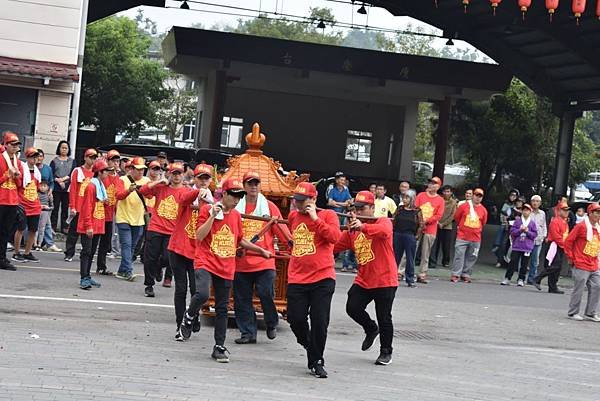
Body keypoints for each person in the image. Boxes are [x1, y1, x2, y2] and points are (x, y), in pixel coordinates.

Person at [178, 178, 271, 363]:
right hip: (206, 260)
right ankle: (189, 315)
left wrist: (259, 250)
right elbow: (199, 236)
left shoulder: (236, 216)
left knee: (222, 308)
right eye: (234, 196)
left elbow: (239, 240)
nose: (237, 200)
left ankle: (219, 347)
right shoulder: (207, 210)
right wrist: (212, 216)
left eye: (239, 196)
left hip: (226, 265)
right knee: (203, 294)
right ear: (225, 195)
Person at [334, 190, 398, 365]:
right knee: (352, 307)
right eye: (357, 208)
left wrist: (362, 226)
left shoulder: (382, 221)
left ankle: (386, 351)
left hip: (385, 279)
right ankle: (371, 329)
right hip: (364, 279)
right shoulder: (351, 231)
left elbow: (384, 232)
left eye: (363, 208)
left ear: (372, 207)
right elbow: (334, 245)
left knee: (384, 316)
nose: (359, 211)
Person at [286, 182, 341, 378]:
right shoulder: (293, 216)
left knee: (320, 321)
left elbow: (335, 237)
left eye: (302, 201)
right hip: (297, 277)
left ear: (313, 199)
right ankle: (309, 345)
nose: (298, 204)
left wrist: (315, 218)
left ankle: (317, 360)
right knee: (295, 318)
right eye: (296, 200)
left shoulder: (328, 215)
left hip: (322, 277)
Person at [233, 171, 292, 344]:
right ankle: (248, 333)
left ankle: (272, 322)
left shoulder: (270, 207)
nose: (253, 186)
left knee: (266, 292)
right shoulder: (236, 206)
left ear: (260, 186)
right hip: (241, 261)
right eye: (250, 183)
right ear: (244, 187)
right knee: (242, 299)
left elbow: (282, 231)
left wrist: (291, 244)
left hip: (264, 260)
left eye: (256, 183)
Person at [168, 163, 214, 341]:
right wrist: (197, 193)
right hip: (179, 248)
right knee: (180, 289)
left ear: (210, 180)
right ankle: (180, 324)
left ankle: (192, 316)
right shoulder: (186, 191)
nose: (203, 181)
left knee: (197, 291)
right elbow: (183, 200)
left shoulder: (212, 200)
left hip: (198, 252)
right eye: (200, 178)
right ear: (194, 179)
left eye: (206, 178)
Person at [139, 162, 189, 297]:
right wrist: (159, 181)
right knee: (150, 257)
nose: (177, 176)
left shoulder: (186, 191)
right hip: (156, 227)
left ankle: (158, 267)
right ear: (169, 174)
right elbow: (143, 191)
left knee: (168, 259)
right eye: (174, 173)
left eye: (179, 173)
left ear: (183, 175)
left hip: (173, 231)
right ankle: (149, 285)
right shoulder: (161, 187)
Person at [114, 156, 150, 281]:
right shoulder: (123, 179)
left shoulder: (146, 180)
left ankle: (122, 270)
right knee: (126, 245)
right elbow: (118, 195)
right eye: (138, 169)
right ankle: (128, 271)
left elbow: (150, 196)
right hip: (123, 217)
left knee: (133, 247)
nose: (141, 172)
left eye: (142, 169)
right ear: (132, 169)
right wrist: (129, 190)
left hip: (139, 219)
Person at [78, 160, 111, 289]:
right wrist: (88, 226)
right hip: (90, 224)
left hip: (97, 223)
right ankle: (83, 277)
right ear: (100, 172)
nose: (107, 174)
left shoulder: (100, 185)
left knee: (91, 252)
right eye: (106, 171)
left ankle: (87, 276)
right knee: (86, 251)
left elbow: (98, 202)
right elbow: (87, 207)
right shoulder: (92, 186)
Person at [564, 203, 600, 322]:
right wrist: (571, 257)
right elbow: (569, 241)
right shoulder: (581, 226)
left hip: (593, 262)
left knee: (597, 286)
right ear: (590, 213)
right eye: (596, 212)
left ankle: (590, 312)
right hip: (581, 262)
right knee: (579, 288)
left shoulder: (598, 227)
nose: (598, 215)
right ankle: (573, 312)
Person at [64, 148, 97, 262]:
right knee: (73, 231)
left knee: (87, 232)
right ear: (85, 157)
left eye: (94, 158)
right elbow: (73, 189)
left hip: (89, 207)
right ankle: (69, 253)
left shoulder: (96, 173)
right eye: (90, 157)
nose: (92, 160)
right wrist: (72, 206)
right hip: (78, 206)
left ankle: (87, 254)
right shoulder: (77, 171)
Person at [451, 188, 488, 283]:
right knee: (459, 255)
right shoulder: (464, 206)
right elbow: (457, 217)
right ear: (473, 195)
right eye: (476, 195)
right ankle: (456, 274)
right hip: (462, 236)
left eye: (480, 196)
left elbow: (483, 223)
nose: (478, 198)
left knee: (472, 256)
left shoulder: (483, 210)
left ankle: (466, 274)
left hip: (476, 237)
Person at [12, 147, 42, 263]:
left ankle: (27, 252)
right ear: (27, 157)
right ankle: (16, 252)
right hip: (23, 204)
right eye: (32, 157)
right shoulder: (22, 169)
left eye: (36, 157)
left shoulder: (37, 172)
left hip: (34, 204)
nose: (34, 159)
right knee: (20, 229)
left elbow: (38, 187)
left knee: (33, 230)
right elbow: (18, 185)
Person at [534, 202, 570, 294]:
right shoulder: (555, 221)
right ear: (559, 210)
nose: (566, 212)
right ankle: (538, 278)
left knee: (557, 267)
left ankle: (552, 286)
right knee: (554, 266)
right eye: (564, 210)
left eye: (567, 210)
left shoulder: (564, 222)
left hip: (560, 246)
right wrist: (564, 245)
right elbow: (556, 236)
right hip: (554, 245)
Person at [414, 176, 445, 283]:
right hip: (417, 227)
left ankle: (422, 274)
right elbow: (415, 208)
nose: (431, 185)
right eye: (430, 183)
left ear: (438, 186)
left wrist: (426, 221)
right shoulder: (421, 195)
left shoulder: (440, 200)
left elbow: (438, 215)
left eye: (434, 183)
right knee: (410, 250)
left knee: (425, 253)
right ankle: (401, 271)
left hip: (430, 229)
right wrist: (420, 220)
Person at [0, 132, 23, 271]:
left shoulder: (18, 162)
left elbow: (20, 185)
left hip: (12, 201)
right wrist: (6, 176)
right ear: (6, 145)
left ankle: (2, 257)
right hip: (1, 200)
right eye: (13, 145)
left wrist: (16, 176)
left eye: (17, 145)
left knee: (6, 232)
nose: (15, 148)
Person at [96, 150, 121, 275]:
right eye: (113, 160)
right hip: (100, 212)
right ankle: (87, 265)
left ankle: (101, 266)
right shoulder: (102, 176)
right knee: (95, 241)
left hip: (111, 214)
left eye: (117, 161)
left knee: (106, 243)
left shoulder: (118, 177)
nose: (115, 163)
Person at [501, 203, 538, 286]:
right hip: (517, 246)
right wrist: (520, 230)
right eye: (524, 210)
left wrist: (527, 231)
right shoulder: (517, 221)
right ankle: (507, 278)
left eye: (527, 210)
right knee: (513, 262)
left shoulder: (532, 223)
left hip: (527, 247)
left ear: (530, 212)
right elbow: (512, 232)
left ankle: (521, 278)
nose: (525, 212)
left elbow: (534, 235)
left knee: (524, 264)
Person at [327, 171, 355, 273]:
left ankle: (342, 260)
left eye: (344, 180)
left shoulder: (346, 189)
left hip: (342, 215)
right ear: (337, 180)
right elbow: (330, 202)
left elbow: (349, 202)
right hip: (333, 215)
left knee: (342, 235)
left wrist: (337, 204)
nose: (342, 181)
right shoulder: (332, 189)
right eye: (341, 180)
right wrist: (343, 204)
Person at [392, 191, 422, 287]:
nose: (404, 200)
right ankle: (391, 277)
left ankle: (410, 279)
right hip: (398, 234)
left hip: (409, 235)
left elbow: (421, 224)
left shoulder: (417, 211)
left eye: (407, 198)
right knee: (395, 257)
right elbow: (393, 220)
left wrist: (417, 236)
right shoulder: (400, 209)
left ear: (412, 199)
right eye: (403, 198)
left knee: (410, 258)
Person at [50, 140, 76, 233]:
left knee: (65, 209)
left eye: (66, 148)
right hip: (56, 188)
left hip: (67, 188)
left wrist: (64, 179)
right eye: (62, 147)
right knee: (55, 208)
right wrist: (58, 180)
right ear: (59, 148)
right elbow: (51, 173)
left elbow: (73, 173)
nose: (64, 149)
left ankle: (64, 227)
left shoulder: (72, 161)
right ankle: (53, 227)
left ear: (68, 149)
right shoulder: (54, 161)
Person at [429, 185, 457, 269]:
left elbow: (453, 215)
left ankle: (446, 261)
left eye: (448, 191)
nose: (446, 193)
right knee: (435, 244)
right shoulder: (439, 200)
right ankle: (433, 261)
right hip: (436, 224)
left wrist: (443, 224)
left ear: (451, 192)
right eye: (445, 191)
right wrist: (437, 222)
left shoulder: (454, 202)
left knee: (446, 245)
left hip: (447, 226)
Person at [492, 189, 519, 266]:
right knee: (501, 243)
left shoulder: (517, 205)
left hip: (514, 228)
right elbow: (502, 215)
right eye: (511, 195)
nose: (513, 197)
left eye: (514, 195)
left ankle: (508, 261)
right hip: (505, 226)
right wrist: (505, 223)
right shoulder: (505, 204)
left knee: (510, 245)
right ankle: (499, 260)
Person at [35, 180, 62, 252]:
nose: (43, 188)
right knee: (38, 228)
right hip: (38, 211)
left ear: (47, 187)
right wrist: (40, 206)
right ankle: (36, 244)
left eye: (44, 186)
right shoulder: (37, 194)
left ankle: (43, 244)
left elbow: (52, 206)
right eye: (41, 186)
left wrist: (48, 208)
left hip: (45, 212)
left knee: (44, 228)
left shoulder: (49, 195)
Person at [527, 195, 547, 284]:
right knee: (524, 259)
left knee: (535, 260)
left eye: (537, 201)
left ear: (540, 203)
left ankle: (532, 278)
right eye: (533, 201)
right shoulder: (527, 211)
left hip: (538, 239)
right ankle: (521, 277)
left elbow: (544, 225)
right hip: (527, 239)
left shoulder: (542, 213)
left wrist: (544, 235)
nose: (535, 203)